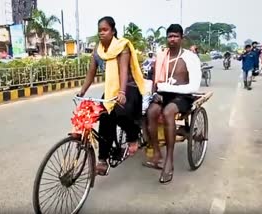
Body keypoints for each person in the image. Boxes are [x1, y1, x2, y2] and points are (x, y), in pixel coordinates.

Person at [77, 16, 145, 175]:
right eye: (99, 30)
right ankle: (102, 159)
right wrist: (82, 91)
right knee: (104, 116)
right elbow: (91, 73)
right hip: (111, 88)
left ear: (113, 31)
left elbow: (122, 71)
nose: (102, 33)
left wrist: (121, 92)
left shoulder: (122, 46)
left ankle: (133, 135)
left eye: (105, 29)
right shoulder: (97, 50)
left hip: (128, 87)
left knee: (120, 112)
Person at [143, 24, 201, 184]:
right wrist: (156, 93)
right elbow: (155, 82)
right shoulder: (162, 56)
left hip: (183, 97)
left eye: (176, 36)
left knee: (168, 112)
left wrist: (166, 87)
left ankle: (169, 161)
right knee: (151, 111)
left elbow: (194, 86)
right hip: (164, 95)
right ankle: (156, 153)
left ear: (181, 38)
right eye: (170, 36)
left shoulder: (190, 57)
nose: (172, 39)